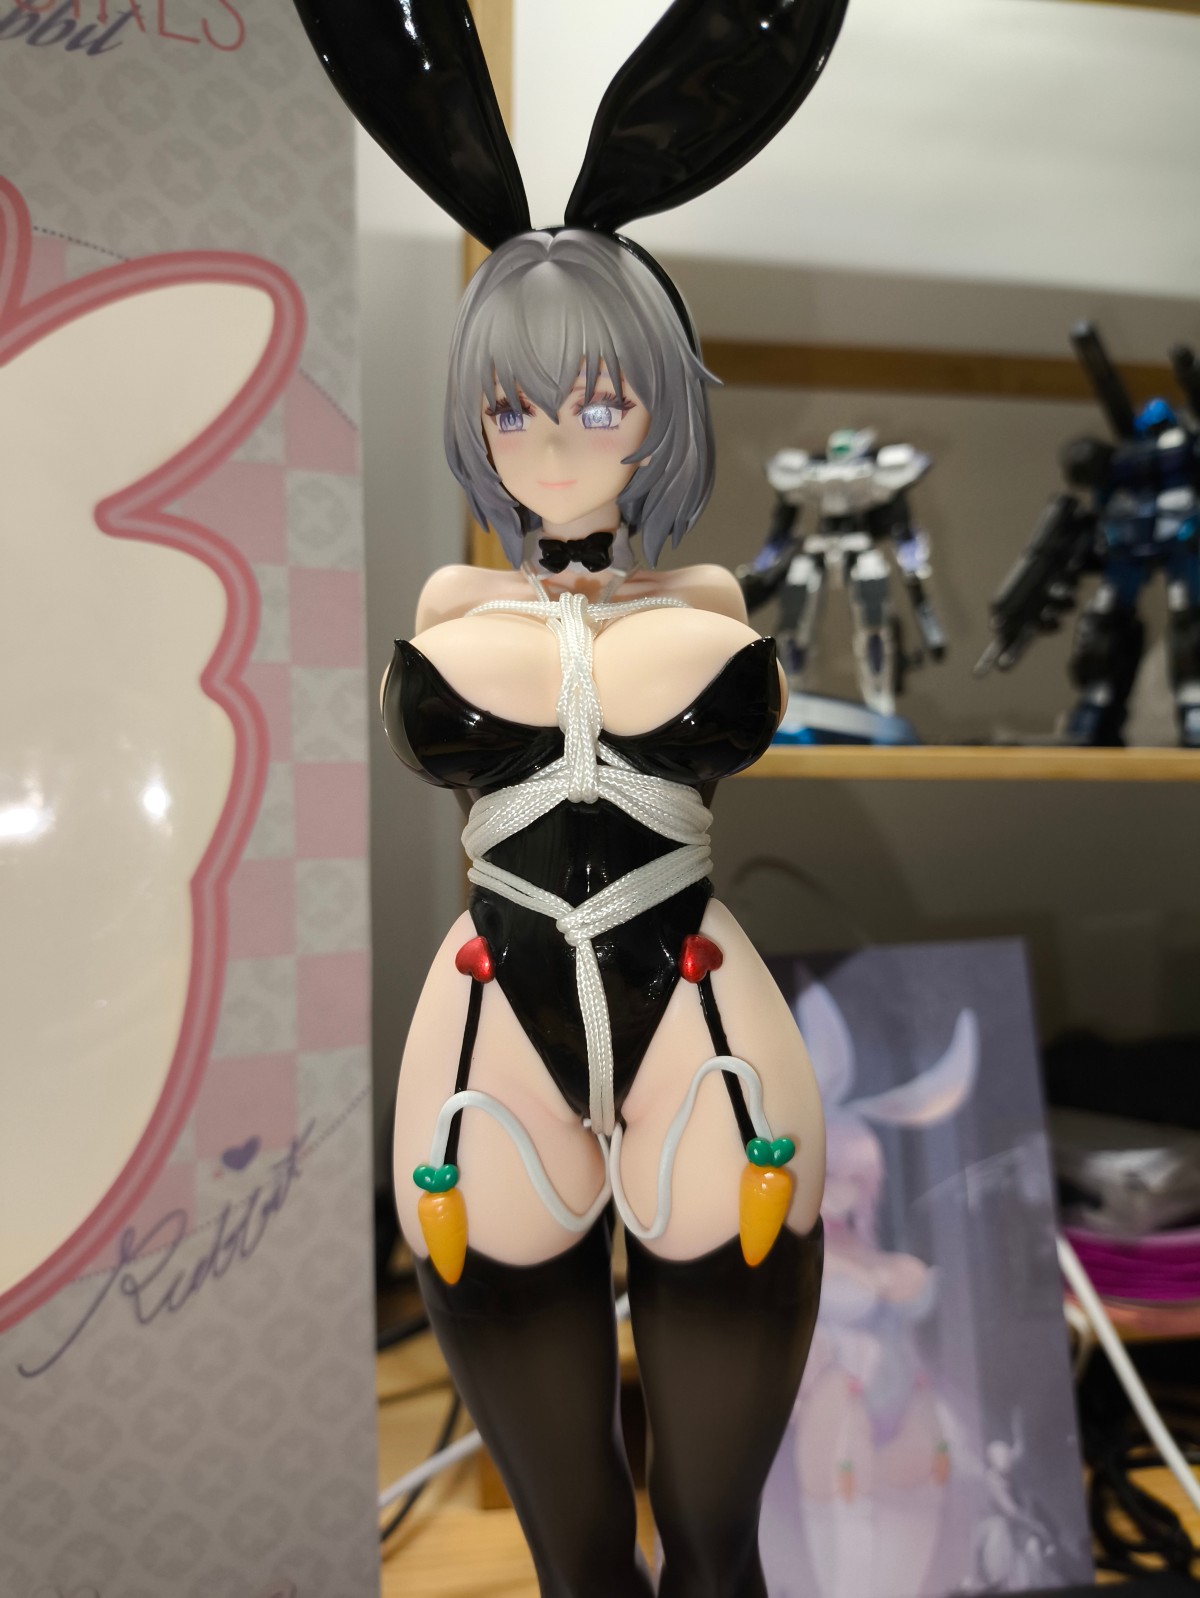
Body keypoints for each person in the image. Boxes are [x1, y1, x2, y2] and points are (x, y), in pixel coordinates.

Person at [291, 3, 850, 1591]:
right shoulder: (453, 602)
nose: (550, 442)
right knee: (574, 1548)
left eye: (599, 402)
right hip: (488, 1038)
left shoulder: (710, 595)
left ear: (664, 404)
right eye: (512, 406)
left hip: (704, 1027)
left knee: (717, 1539)